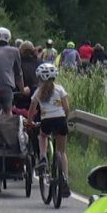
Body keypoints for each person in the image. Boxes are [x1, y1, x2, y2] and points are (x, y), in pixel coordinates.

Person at [27, 63, 71, 198]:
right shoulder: (60, 89)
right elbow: (67, 107)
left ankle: (43, 157)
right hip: (61, 120)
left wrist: (29, 122)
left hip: (46, 121)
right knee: (62, 152)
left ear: (39, 78)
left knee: (42, 135)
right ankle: (64, 178)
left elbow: (32, 109)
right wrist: (66, 118)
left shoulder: (38, 91)